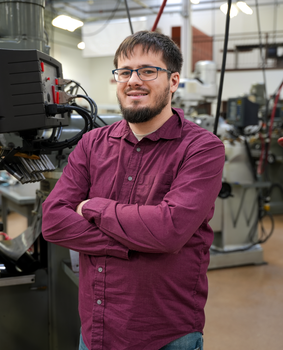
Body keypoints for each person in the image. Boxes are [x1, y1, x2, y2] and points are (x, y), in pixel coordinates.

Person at [42, 30, 225, 350]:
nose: (133, 80)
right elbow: (54, 221)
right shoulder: (92, 143)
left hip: (165, 335)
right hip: (97, 330)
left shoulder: (202, 149)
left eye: (148, 71)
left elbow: (169, 230)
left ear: (173, 80)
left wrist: (93, 207)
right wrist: (137, 242)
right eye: (125, 71)